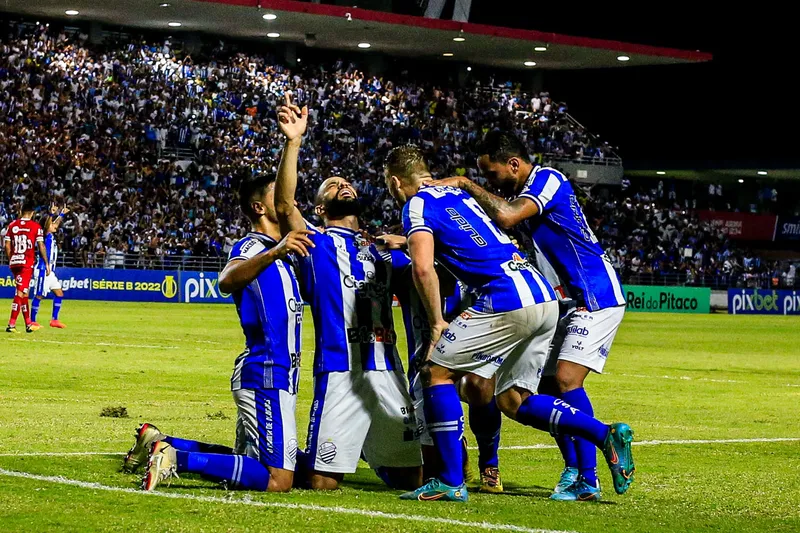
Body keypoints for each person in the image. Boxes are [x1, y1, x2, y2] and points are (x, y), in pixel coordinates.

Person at [383, 144, 634, 502]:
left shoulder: (416, 205)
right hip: (542, 296)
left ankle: (451, 481)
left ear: (395, 182)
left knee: (436, 372)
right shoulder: (463, 199)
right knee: (514, 399)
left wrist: (437, 321)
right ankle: (604, 435)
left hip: (505, 297)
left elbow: (423, 268)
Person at [123, 173, 315, 493]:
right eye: (278, 194)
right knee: (278, 479)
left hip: (278, 373)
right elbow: (226, 280)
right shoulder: (253, 246)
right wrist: (275, 252)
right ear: (259, 207)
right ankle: (173, 457)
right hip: (267, 372)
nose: (289, 200)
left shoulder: (284, 252)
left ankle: (159, 442)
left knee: (254, 462)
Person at [274, 94, 422, 491]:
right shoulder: (315, 244)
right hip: (341, 369)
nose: (342, 185)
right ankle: (275, 457)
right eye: (332, 186)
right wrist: (293, 142)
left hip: (388, 371)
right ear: (320, 209)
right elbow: (284, 205)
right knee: (322, 483)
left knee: (411, 479)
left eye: (346, 183)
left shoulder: (384, 249)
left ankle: (367, 448)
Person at [4, 200, 50, 333]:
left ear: (21, 211)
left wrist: (11, 259)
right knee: (20, 292)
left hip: (14, 262)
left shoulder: (12, 225)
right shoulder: (36, 227)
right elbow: (41, 246)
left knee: (24, 293)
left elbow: (7, 245)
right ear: (32, 213)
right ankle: (11, 324)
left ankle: (28, 324)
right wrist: (46, 262)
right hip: (26, 263)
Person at [31, 204, 69, 329]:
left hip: (49, 271)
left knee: (59, 293)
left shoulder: (50, 235)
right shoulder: (44, 235)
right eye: (52, 224)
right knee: (39, 295)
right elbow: (48, 224)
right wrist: (51, 214)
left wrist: (62, 214)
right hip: (43, 269)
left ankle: (54, 320)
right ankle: (32, 321)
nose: (55, 225)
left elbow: (54, 224)